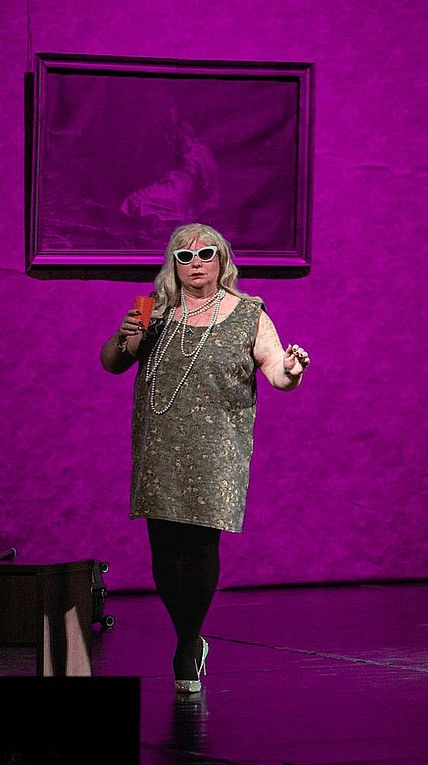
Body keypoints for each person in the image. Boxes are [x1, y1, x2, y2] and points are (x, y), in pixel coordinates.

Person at [100, 223, 310, 692]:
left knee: (198, 548)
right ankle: (189, 637)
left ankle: (186, 646)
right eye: (185, 256)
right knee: (163, 552)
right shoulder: (154, 310)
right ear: (173, 265)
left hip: (217, 448)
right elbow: (113, 362)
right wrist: (124, 336)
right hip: (160, 444)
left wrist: (292, 370)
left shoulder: (249, 313)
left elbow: (277, 372)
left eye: (206, 254)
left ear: (222, 261)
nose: (196, 263)